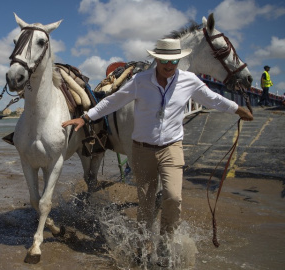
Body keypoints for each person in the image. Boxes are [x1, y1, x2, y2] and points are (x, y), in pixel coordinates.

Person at [62, 38, 253, 266]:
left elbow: (212, 99)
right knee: (146, 204)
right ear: (157, 59)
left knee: (173, 197)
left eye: (174, 60)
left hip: (171, 148)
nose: (169, 65)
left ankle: (164, 243)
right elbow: (113, 101)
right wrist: (85, 117)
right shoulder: (140, 81)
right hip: (143, 151)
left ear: (178, 60)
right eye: (164, 60)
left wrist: (237, 109)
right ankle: (143, 246)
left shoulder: (189, 81)